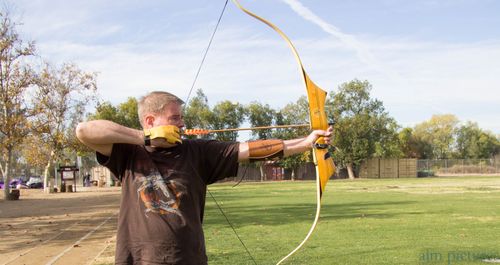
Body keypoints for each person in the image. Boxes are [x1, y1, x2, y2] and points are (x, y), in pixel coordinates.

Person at [76, 91, 332, 265]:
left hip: (187, 257)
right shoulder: (128, 152)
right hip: (138, 258)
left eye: (181, 118)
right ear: (151, 120)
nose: (182, 124)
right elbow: (84, 131)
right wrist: (144, 138)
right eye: (175, 118)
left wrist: (305, 143)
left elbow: (251, 149)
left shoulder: (198, 152)